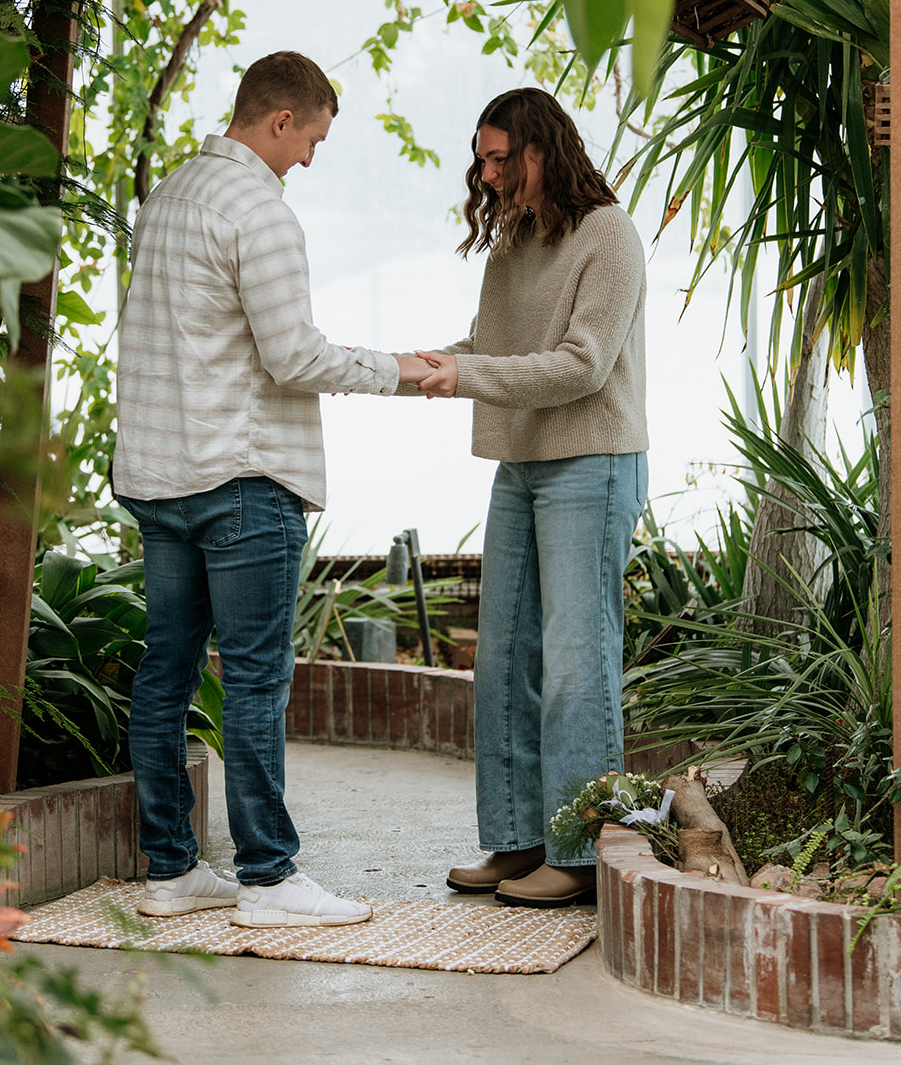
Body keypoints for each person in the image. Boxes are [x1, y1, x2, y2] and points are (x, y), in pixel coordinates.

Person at [113, 51, 433, 927]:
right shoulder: (259, 211)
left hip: (161, 475)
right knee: (255, 682)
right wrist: (403, 369)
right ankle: (268, 879)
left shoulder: (170, 195)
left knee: (165, 674)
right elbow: (294, 356)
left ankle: (172, 874)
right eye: (313, 139)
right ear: (281, 119)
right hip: (243, 480)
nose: (310, 160)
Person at [415, 87, 648, 908]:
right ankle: (518, 839)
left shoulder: (607, 236)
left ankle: (581, 852)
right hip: (521, 463)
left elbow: (582, 363)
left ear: (544, 148)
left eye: (501, 156)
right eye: (482, 157)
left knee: (578, 664)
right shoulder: (514, 239)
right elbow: (490, 349)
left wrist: (466, 373)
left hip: (592, 461)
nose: (488, 172)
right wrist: (414, 368)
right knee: (504, 656)